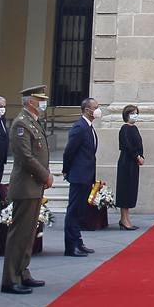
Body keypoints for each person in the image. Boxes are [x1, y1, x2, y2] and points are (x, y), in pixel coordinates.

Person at [2, 86, 52, 294]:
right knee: (19, 234)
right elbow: (25, 156)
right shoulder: (21, 123)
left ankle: (23, 271)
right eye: (40, 99)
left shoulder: (33, 121)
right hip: (26, 184)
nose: (43, 103)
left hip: (34, 185)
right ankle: (10, 278)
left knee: (29, 233)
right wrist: (45, 175)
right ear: (30, 101)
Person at [62, 96, 102, 253]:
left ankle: (78, 241)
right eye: (96, 107)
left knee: (80, 211)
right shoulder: (79, 127)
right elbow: (69, 151)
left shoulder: (89, 127)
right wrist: (66, 170)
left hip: (86, 175)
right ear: (87, 110)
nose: (98, 110)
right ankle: (70, 246)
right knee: (73, 211)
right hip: (79, 175)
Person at [116, 104, 144, 230]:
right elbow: (127, 145)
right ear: (126, 115)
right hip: (126, 162)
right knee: (125, 190)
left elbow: (139, 144)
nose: (135, 115)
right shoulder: (125, 128)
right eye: (132, 113)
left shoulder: (134, 128)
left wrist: (141, 156)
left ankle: (127, 218)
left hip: (134, 163)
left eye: (136, 113)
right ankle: (123, 218)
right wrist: (137, 156)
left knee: (131, 189)